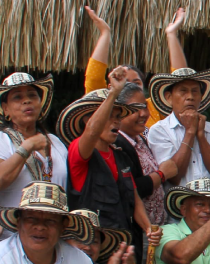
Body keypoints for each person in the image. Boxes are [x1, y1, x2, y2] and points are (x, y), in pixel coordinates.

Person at [56, 78, 150, 239]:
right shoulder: (79, 151)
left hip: (124, 244)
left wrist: (149, 229)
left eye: (118, 116)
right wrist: (114, 93)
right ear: (88, 120)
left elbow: (135, 200)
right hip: (91, 246)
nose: (116, 121)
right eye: (108, 116)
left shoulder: (121, 155)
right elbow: (92, 132)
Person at [0, 73, 66, 243]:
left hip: (50, 237)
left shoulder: (56, 143)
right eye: (17, 97)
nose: (26, 101)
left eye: (32, 95)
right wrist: (27, 147)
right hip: (9, 238)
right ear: (5, 109)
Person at [81, 4, 163, 127]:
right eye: (124, 83)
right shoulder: (106, 105)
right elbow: (94, 77)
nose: (130, 86)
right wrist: (105, 33)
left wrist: (171, 34)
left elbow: (180, 90)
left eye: (136, 83)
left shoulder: (153, 107)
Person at [145, 66, 210, 188]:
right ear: (169, 97)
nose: (190, 97)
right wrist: (190, 131)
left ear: (200, 97)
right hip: (177, 204)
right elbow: (173, 177)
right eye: (183, 91)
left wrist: (200, 135)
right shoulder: (159, 130)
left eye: (195, 91)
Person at [112, 82, 166, 230]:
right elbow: (131, 189)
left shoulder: (140, 139)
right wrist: (162, 175)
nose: (143, 114)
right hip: (138, 230)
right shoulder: (117, 143)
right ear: (119, 111)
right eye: (136, 109)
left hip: (155, 229)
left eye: (144, 106)